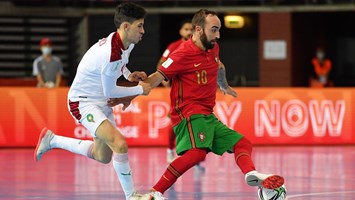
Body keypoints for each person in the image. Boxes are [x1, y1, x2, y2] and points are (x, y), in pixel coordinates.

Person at [131, 9, 285, 200]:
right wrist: (128, 94)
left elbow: (219, 66)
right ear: (198, 29)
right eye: (214, 30)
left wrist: (224, 85)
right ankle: (154, 193)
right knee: (196, 154)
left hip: (207, 115)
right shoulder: (181, 54)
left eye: (219, 30)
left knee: (242, 143)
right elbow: (156, 78)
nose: (218, 35)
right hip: (188, 113)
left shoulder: (213, 48)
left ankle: (251, 175)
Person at [34, 2, 152, 200]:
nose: (143, 31)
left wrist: (129, 75)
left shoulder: (126, 44)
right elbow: (111, 89)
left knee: (103, 156)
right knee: (119, 144)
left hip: (102, 101)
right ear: (126, 26)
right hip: (83, 102)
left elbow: (120, 66)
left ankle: (53, 140)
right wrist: (140, 89)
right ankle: (132, 196)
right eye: (139, 25)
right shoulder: (110, 54)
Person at [156, 19, 192, 164]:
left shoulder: (200, 46)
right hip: (178, 91)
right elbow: (161, 65)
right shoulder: (174, 46)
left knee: (194, 121)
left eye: (191, 29)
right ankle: (170, 149)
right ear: (181, 31)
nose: (189, 32)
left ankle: (196, 154)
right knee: (175, 121)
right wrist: (168, 85)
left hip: (194, 91)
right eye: (186, 29)